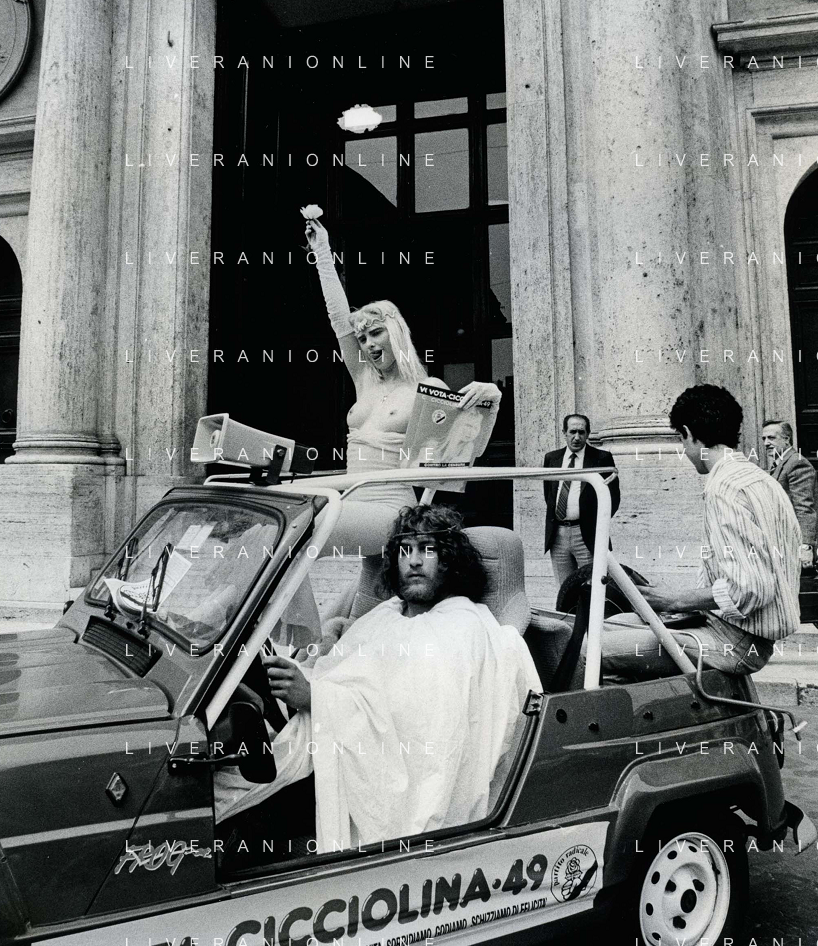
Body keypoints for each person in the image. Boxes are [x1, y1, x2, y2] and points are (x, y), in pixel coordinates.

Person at [214, 505, 541, 849]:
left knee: (248, 815)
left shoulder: (461, 626)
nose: (414, 561)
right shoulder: (387, 613)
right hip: (328, 744)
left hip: (374, 774)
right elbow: (352, 675)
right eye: (405, 550)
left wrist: (315, 697)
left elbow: (417, 726)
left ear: (449, 560)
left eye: (427, 549)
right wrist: (302, 677)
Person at [305, 214, 501, 619]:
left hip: (390, 512)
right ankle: (311, 646)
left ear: (395, 332)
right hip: (352, 501)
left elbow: (468, 449)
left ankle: (301, 635)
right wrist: (321, 251)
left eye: (376, 333)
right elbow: (338, 319)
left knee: (294, 531)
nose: (368, 344)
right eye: (363, 338)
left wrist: (492, 398)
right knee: (367, 606)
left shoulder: (427, 389)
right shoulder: (364, 379)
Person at [600, 385, 801, 679]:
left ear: (688, 433)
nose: (684, 450)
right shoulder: (762, 479)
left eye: (681, 440)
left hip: (733, 642)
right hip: (733, 632)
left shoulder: (724, 488)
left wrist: (674, 600)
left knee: (587, 650)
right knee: (608, 626)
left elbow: (748, 589)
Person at [543, 413, 620, 588]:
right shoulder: (552, 458)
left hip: (586, 534)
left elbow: (613, 499)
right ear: (564, 433)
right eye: (572, 432)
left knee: (591, 587)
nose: (577, 437)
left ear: (588, 434)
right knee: (564, 589)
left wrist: (596, 524)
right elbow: (549, 494)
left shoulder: (601, 458)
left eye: (581, 432)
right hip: (558, 535)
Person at [761, 418, 816, 567]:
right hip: (782, 540)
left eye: (771, 438)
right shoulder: (780, 464)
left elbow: (804, 507)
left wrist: (806, 546)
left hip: (793, 542)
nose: (766, 443)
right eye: (764, 439)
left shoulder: (796, 463)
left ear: (786, 439)